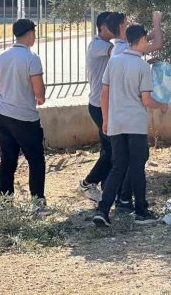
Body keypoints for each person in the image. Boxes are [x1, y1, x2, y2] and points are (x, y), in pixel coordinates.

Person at [93, 24, 170, 227]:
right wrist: (162, 105)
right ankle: (141, 211)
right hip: (135, 123)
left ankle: (103, 209)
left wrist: (106, 120)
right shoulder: (142, 67)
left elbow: (104, 93)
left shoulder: (114, 61)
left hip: (116, 122)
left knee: (118, 167)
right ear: (143, 40)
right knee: (136, 168)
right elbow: (146, 100)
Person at [0, 19, 47, 203]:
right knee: (36, 159)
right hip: (25, 117)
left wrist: (9, 91)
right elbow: (39, 91)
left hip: (3, 113)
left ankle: (5, 199)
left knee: (8, 157)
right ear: (29, 33)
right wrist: (38, 97)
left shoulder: (1, 55)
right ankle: (37, 200)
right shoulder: (32, 58)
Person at [77, 11, 114, 202]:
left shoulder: (107, 45)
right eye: (114, 24)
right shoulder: (99, 45)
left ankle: (106, 188)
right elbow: (121, 53)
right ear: (103, 27)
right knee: (112, 150)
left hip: (104, 104)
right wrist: (129, 35)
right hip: (100, 106)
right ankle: (87, 183)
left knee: (108, 148)